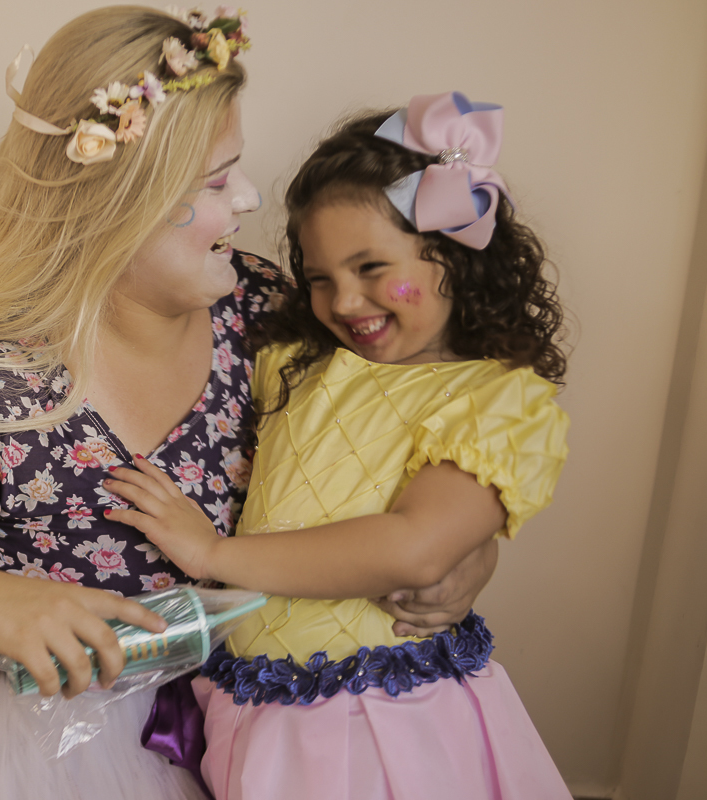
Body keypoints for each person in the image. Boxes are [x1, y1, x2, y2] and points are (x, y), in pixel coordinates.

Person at [0, 8, 496, 798]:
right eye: (216, 181)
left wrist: (458, 557)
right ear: (118, 200)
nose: (249, 197)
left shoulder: (266, 312)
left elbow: (390, 467)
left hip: (246, 718)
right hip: (13, 755)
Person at [104, 93, 573, 799]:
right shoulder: (298, 360)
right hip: (257, 707)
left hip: (384, 720)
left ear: (454, 256)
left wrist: (212, 555)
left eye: (371, 268)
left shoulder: (496, 401)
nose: (345, 301)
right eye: (320, 278)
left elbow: (416, 548)